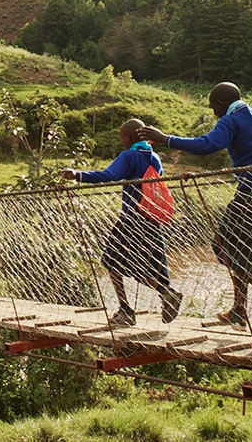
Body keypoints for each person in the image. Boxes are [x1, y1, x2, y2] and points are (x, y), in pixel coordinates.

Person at [140, 56, 252, 330]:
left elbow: (207, 144)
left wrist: (165, 138)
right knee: (238, 249)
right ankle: (240, 312)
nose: (213, 113)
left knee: (223, 246)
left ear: (220, 105)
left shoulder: (229, 122)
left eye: (212, 108)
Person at [62, 118, 182, 326]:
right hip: (151, 220)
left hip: (131, 220)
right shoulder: (154, 158)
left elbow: (110, 175)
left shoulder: (129, 156)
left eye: (122, 138)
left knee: (111, 261)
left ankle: (126, 310)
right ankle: (166, 292)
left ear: (128, 137)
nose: (122, 141)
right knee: (146, 265)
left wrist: (78, 175)